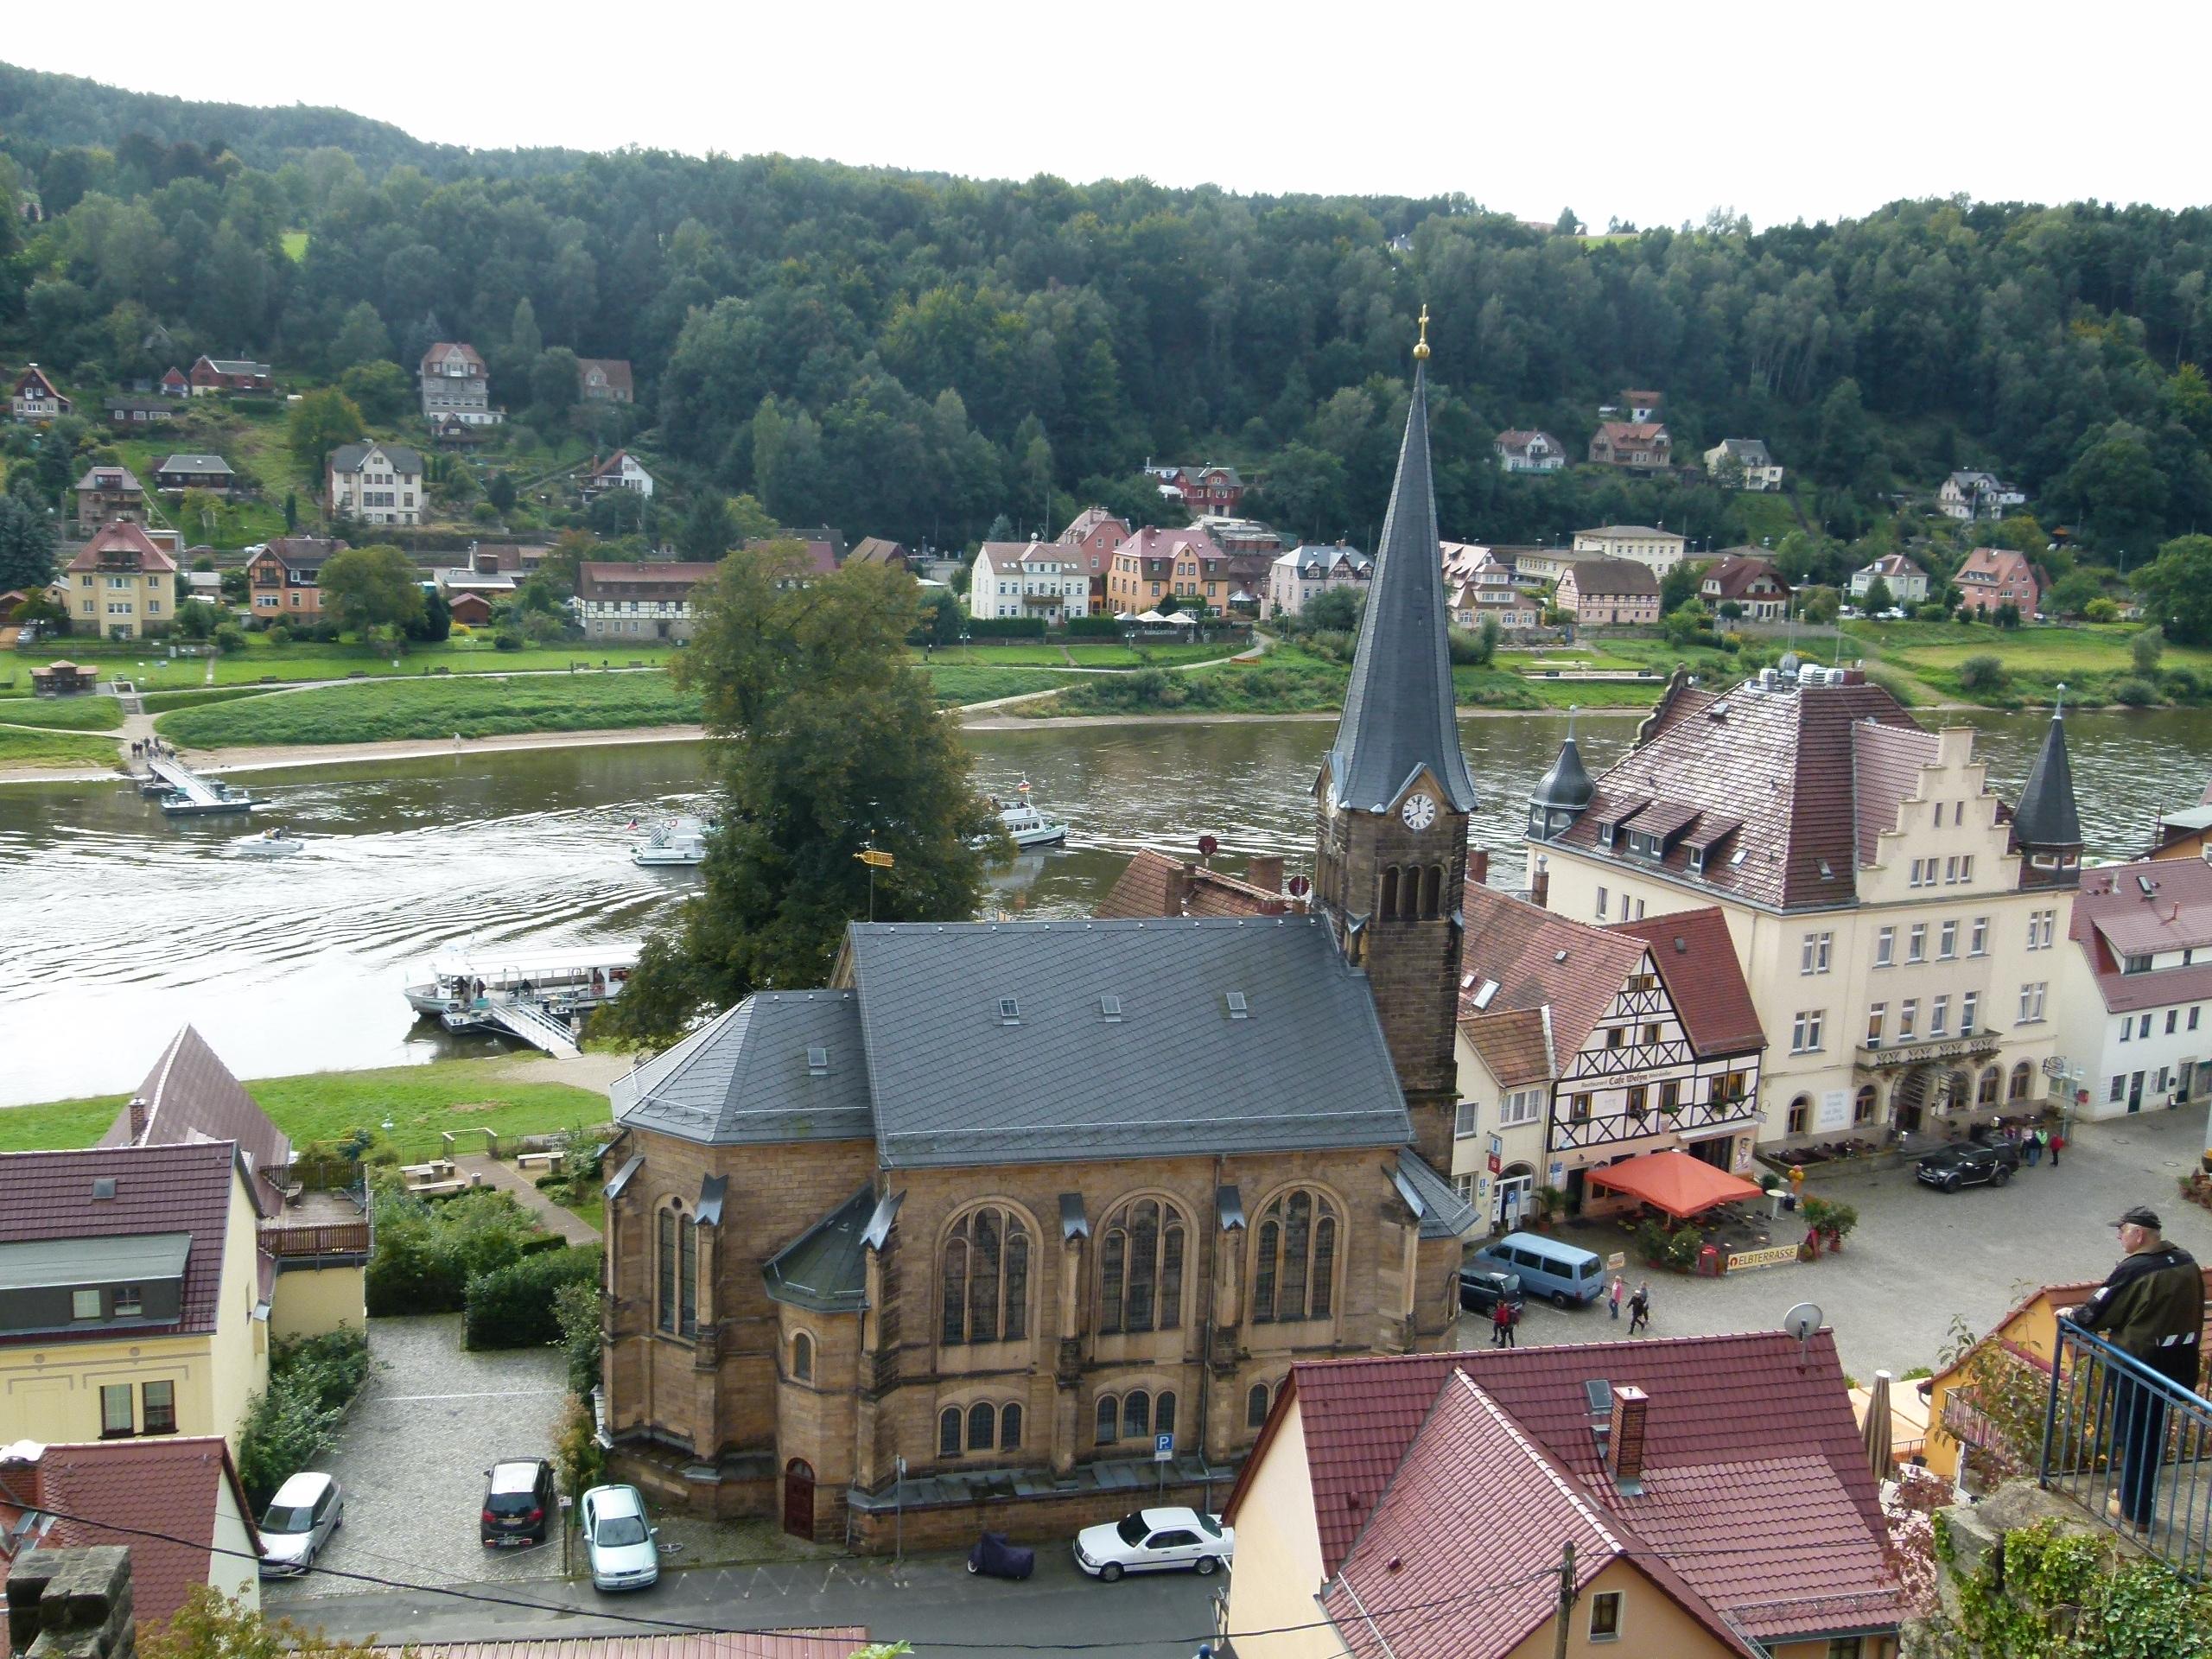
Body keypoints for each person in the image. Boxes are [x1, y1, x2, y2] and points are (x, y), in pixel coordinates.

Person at [2063, 1206, 2204, 1534]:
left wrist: (2072, 1315)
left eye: (2122, 1230)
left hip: (2140, 1364)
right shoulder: (2185, 1260)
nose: (2118, 1236)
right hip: (2178, 1363)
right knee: (2150, 1432)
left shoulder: (2135, 1269)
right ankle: (2130, 1494)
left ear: (2138, 1235)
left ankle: (2136, 1510)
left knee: (2136, 1435)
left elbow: (2098, 1312)